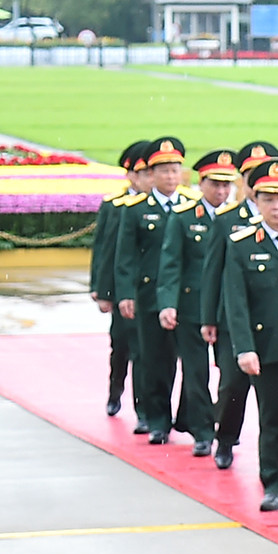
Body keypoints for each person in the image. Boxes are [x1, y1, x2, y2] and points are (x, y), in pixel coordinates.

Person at [220, 159, 278, 511]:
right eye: (269, 199)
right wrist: (244, 349)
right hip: (267, 347)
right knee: (272, 419)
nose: (276, 206)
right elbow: (235, 302)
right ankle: (275, 482)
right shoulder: (241, 243)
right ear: (256, 201)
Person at [157, 149, 241, 458]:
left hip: (227, 309)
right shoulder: (183, 218)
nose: (220, 192)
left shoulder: (239, 218)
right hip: (192, 306)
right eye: (214, 185)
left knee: (229, 376)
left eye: (226, 186)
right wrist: (168, 303)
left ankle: (223, 424)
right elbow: (171, 263)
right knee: (196, 372)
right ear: (201, 183)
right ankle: (203, 431)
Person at [199, 142, 277, 468]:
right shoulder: (227, 219)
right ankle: (226, 439)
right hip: (235, 320)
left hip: (273, 320)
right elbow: (212, 272)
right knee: (232, 386)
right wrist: (208, 318)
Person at [113, 137, 195, 445]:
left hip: (184, 297)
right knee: (154, 361)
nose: (171, 177)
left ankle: (188, 418)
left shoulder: (191, 207)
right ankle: (157, 419)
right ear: (152, 174)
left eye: (175, 170)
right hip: (148, 296)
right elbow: (126, 257)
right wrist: (125, 294)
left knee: (191, 362)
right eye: (164, 171)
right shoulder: (135, 210)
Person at [92, 141, 148, 423]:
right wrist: (102, 291)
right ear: (131, 175)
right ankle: (115, 392)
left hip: (149, 290)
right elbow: (105, 249)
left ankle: (143, 409)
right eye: (142, 173)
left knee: (144, 353)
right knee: (122, 347)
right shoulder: (115, 205)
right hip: (122, 289)